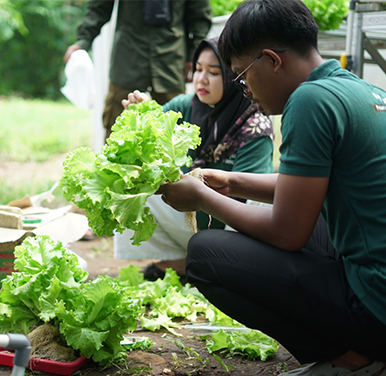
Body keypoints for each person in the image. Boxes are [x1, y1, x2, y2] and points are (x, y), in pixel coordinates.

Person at [157, 0, 386, 375]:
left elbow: (288, 233)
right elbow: (306, 185)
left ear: (272, 60)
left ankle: (355, 361)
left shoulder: (309, 100)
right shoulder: (360, 90)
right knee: (311, 218)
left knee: (206, 255)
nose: (244, 91)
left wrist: (202, 197)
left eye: (242, 77)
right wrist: (231, 181)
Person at [114, 37, 274, 281]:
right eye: (198, 69)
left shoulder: (254, 125)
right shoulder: (185, 106)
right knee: (130, 182)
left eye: (214, 72)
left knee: (262, 204)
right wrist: (143, 114)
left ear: (234, 77)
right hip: (191, 213)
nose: (201, 79)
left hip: (231, 223)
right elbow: (152, 131)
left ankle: (214, 265)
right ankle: (185, 261)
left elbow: (248, 198)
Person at [64, 0, 212, 139]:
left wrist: (194, 55)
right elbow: (99, 8)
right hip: (128, 55)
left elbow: (199, 16)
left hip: (171, 58)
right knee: (117, 128)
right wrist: (82, 41)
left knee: (174, 130)